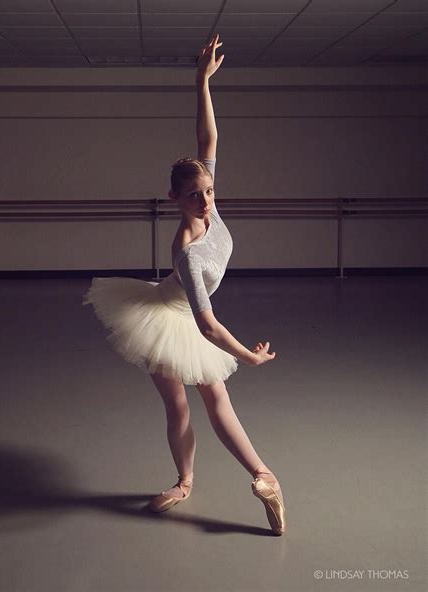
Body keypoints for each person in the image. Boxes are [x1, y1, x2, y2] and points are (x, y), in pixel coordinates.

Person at [83, 33, 286, 535]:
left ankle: (265, 478)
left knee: (216, 403)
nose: (206, 201)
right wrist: (248, 356)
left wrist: (201, 81)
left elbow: (208, 140)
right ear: (174, 198)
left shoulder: (211, 208)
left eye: (210, 190)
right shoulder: (187, 251)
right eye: (194, 195)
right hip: (168, 317)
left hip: (182, 311)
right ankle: (186, 482)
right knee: (182, 404)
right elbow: (208, 325)